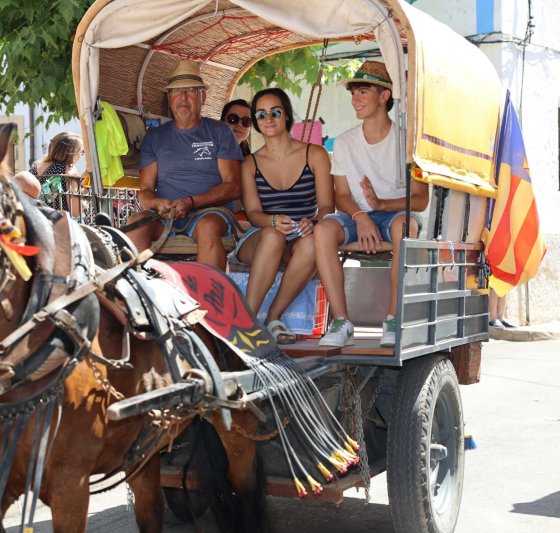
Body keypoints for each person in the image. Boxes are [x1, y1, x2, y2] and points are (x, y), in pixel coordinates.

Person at [314, 61, 428, 347]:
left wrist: (382, 204)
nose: (355, 99)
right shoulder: (344, 142)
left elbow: (421, 200)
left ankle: (393, 319)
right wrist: (361, 214)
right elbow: (341, 194)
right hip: (357, 216)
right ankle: (342, 321)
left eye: (363, 91)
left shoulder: (408, 142)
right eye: (353, 92)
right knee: (324, 230)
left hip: (395, 216)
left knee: (405, 227)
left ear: (384, 96)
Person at [234, 88, 333, 343]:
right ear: (256, 121)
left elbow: (327, 207)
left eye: (275, 112)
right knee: (273, 237)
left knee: (313, 242)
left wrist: (312, 222)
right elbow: (254, 214)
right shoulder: (250, 164)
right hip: (260, 237)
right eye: (261, 114)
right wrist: (274, 222)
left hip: (301, 237)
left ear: (286, 115)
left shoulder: (315, 154)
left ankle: (273, 317)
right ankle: (246, 321)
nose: (268, 118)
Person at [126, 59, 243, 270]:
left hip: (210, 213)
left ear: (203, 97)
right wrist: (158, 203)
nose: (183, 98)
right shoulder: (155, 138)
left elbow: (233, 187)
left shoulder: (220, 132)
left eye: (191, 90)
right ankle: (136, 296)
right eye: (177, 91)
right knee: (135, 224)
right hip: (164, 216)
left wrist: (192, 202)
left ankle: (208, 299)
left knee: (208, 227)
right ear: (169, 98)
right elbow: (144, 192)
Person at [29, 132, 85, 217]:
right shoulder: (68, 170)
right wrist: (85, 199)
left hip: (36, 220)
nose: (81, 156)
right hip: (57, 224)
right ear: (72, 153)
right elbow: (76, 211)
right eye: (81, 152)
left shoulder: (34, 168)